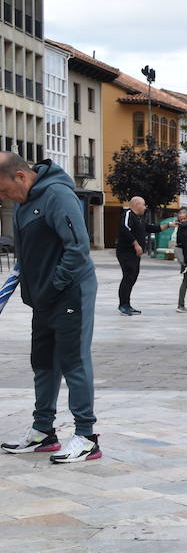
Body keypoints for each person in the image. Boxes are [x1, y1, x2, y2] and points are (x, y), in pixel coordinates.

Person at [0, 152, 101, 463]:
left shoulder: (57, 194)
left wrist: (54, 285)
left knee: (73, 362)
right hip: (42, 298)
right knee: (43, 362)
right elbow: (27, 255)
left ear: (20, 176)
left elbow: (78, 248)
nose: (3, 197)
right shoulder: (22, 204)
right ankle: (43, 431)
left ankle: (86, 436)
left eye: (3, 190)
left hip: (70, 294)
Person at [115, 195, 147, 315]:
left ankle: (127, 304)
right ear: (137, 205)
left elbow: (148, 228)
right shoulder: (128, 214)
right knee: (128, 276)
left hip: (134, 255)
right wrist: (136, 244)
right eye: (143, 204)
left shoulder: (139, 219)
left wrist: (168, 225)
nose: (145, 207)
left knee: (132, 276)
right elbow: (124, 229)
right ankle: (123, 304)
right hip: (126, 252)